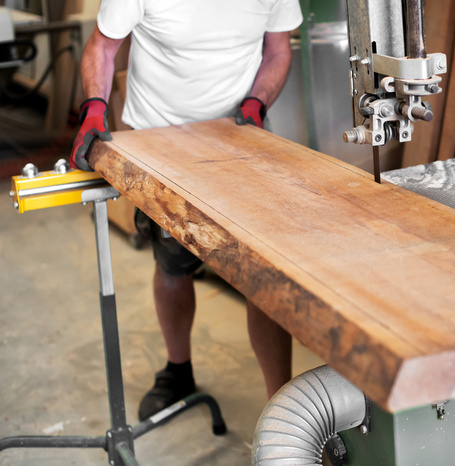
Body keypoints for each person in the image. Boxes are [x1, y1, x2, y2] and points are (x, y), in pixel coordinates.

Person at [69, 0, 303, 421]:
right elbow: (102, 48)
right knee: (173, 268)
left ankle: (285, 411)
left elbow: (278, 49)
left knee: (263, 280)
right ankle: (178, 369)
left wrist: (256, 103)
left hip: (237, 137)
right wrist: (95, 109)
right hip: (156, 141)